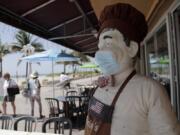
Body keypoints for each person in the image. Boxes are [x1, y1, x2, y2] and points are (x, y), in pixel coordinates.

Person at [84, 3, 179, 135]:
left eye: (108, 43)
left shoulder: (150, 90)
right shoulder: (101, 85)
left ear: (132, 48)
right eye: (100, 46)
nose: (99, 54)